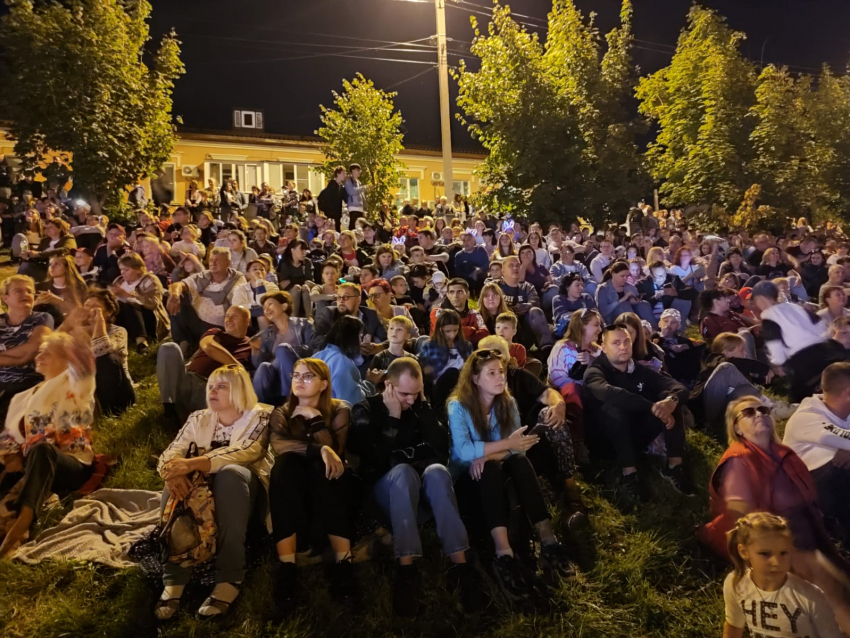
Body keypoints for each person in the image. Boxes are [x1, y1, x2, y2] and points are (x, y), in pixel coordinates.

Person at [699, 396, 850, 631]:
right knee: (827, 583)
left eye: (763, 410)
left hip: (802, 534)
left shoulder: (784, 453)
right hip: (766, 542)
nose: (759, 414)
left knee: (842, 578)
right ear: (736, 428)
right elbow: (744, 522)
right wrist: (794, 556)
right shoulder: (738, 462)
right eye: (748, 412)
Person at [349, 357, 483, 615]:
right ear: (387, 386)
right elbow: (371, 463)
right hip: (387, 496)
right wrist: (393, 420)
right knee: (402, 472)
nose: (411, 400)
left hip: (422, 494)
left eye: (417, 392)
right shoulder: (364, 411)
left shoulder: (420, 407)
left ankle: (460, 565)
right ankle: (406, 568)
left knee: (437, 471)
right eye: (404, 394)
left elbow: (442, 450)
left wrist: (423, 411)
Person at [447, 349, 574, 600]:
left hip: (496, 465)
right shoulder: (458, 406)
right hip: (466, 476)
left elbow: (519, 449)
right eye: (491, 373)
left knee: (519, 463)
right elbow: (463, 452)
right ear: (475, 379)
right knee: (494, 467)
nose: (500, 378)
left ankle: (548, 542)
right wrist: (502, 448)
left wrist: (489, 454)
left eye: (501, 372)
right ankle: (503, 555)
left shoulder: (508, 402)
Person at [154, 365, 273, 620]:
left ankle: (229, 578)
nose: (213, 391)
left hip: (244, 497)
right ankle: (174, 578)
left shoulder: (261, 416)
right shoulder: (199, 418)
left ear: (240, 389)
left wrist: (193, 463)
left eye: (222, 386)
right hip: (200, 499)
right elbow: (172, 451)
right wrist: (172, 472)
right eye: (210, 386)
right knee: (174, 482)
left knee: (231, 473)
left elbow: (247, 451)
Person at [268, 358, 358, 610]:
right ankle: (286, 567)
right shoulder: (282, 412)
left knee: (327, 467)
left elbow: (337, 450)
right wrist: (319, 449)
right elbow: (279, 445)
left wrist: (316, 419)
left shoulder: (340, 409)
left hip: (329, 487)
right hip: (295, 488)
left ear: (323, 384)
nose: (299, 380)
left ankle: (344, 563)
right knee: (284, 465)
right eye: (296, 375)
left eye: (307, 376)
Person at [0, 331, 96, 558]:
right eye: (39, 351)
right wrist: (11, 454)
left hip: (69, 463)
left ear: (66, 359)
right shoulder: (20, 397)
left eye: (47, 352)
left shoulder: (72, 383)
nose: (39, 355)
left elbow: (85, 364)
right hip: (29, 464)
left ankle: (21, 527)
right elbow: (9, 436)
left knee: (42, 450)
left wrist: (75, 325)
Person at [583, 323, 692, 501]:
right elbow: (611, 393)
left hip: (635, 435)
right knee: (616, 407)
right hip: (605, 442)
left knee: (668, 399)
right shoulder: (595, 371)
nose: (623, 347)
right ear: (603, 348)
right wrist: (651, 407)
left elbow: (677, 387)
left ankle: (674, 466)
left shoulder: (639, 370)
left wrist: (670, 402)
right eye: (616, 343)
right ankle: (629, 473)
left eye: (627, 341)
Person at [722, 512, 844, 638]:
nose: (776, 562)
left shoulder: (810, 597)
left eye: (783, 553)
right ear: (743, 552)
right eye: (765, 554)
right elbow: (733, 626)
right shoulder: (736, 583)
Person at [784, 362, 850, 545]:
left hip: (829, 486)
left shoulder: (842, 410)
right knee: (839, 470)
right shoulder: (808, 419)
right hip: (802, 495)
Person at [157, 305, 253, 427]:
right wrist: (237, 367)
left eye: (234, 317)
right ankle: (169, 411)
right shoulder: (216, 332)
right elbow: (209, 346)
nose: (228, 320)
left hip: (211, 390)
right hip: (185, 379)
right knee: (168, 348)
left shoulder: (251, 345)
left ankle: (186, 419)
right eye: (227, 316)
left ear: (247, 321)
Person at [751, 280, 846, 402]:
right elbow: (820, 323)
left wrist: (778, 363)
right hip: (825, 349)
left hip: (803, 358)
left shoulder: (768, 316)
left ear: (760, 298)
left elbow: (775, 343)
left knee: (799, 396)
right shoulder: (793, 306)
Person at [166, 247, 247, 354]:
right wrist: (175, 295)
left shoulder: (237, 278)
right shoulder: (203, 276)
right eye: (211, 260)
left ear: (228, 263)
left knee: (206, 346)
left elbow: (238, 302)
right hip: (196, 320)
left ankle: (197, 352)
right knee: (176, 295)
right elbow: (179, 284)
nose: (213, 263)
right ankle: (183, 341)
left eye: (217, 260)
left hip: (217, 326)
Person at [67, 289, 136, 415]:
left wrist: (99, 321)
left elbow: (102, 349)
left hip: (118, 392)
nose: (89, 310)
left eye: (96, 307)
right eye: (87, 305)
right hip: (88, 391)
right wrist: (71, 323)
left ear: (108, 312)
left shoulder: (118, 331)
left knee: (106, 359)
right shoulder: (77, 332)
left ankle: (111, 412)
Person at [0, 275, 54, 426]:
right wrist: (22, 356)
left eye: (29, 292)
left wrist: (19, 357)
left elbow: (36, 347)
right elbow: (27, 351)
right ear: (5, 298)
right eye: (18, 291)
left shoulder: (42, 318)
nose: (26, 295)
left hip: (30, 382)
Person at [251, 291, 314, 405]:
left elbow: (313, 348)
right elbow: (259, 364)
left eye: (270, 304)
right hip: (276, 377)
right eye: (264, 308)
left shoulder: (304, 324)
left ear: (284, 306)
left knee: (282, 349)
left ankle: (291, 398)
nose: (266, 309)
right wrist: (256, 351)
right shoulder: (267, 334)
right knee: (264, 366)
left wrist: (288, 351)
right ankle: (261, 407)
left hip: (301, 368)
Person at [110, 253, 170, 353]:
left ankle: (141, 342)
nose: (123, 273)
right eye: (121, 269)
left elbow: (153, 304)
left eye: (127, 270)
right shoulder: (119, 281)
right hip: (125, 319)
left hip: (149, 319)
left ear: (138, 270)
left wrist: (127, 295)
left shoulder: (150, 280)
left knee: (130, 304)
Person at [419, 309, 474, 413]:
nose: (452, 335)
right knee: (452, 373)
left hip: (462, 387)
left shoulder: (466, 346)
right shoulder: (429, 346)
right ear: (440, 330)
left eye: (455, 330)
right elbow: (426, 374)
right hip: (439, 389)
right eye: (448, 331)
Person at [313, 315, 375, 406]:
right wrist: (371, 383)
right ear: (352, 338)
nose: (360, 342)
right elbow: (353, 401)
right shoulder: (342, 362)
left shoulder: (319, 355)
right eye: (360, 336)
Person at [310, 282, 386, 355]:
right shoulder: (329, 313)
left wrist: (378, 347)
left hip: (364, 363)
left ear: (358, 300)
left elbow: (387, 338)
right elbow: (315, 339)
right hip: (334, 359)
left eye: (346, 297)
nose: (341, 301)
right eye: (338, 297)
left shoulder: (370, 315)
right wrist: (350, 345)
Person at [498, 256, 553, 351]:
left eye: (518, 265)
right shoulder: (496, 286)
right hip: (502, 330)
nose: (515, 268)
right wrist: (513, 309)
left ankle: (547, 350)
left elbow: (534, 304)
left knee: (535, 311)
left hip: (525, 330)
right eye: (511, 265)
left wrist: (516, 308)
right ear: (503, 271)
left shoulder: (528, 287)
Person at [595, 260, 656, 328]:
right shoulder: (603, 289)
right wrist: (621, 300)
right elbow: (603, 312)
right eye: (622, 276)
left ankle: (652, 330)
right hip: (613, 319)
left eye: (627, 276)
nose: (625, 279)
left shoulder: (630, 287)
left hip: (633, 314)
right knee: (624, 305)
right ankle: (634, 329)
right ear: (613, 274)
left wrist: (634, 301)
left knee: (644, 304)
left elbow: (636, 305)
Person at [651, 308, 704, 385]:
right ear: (660, 323)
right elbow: (652, 350)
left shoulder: (682, 341)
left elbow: (702, 346)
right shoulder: (654, 338)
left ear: (678, 326)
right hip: (665, 377)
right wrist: (662, 337)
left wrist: (686, 346)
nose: (669, 325)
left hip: (684, 377)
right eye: (666, 321)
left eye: (673, 322)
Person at [428, 277, 488, 345]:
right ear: (447, 295)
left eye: (460, 292)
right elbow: (445, 334)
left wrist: (461, 338)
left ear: (467, 294)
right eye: (452, 292)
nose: (455, 296)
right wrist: (471, 330)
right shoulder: (438, 312)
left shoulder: (474, 314)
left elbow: (485, 333)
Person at [232, 259, 279, 329]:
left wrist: (259, 282)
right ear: (248, 273)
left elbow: (262, 304)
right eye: (254, 269)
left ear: (266, 273)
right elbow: (237, 306)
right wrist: (255, 307)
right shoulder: (240, 288)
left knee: (262, 316)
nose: (258, 271)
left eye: (262, 269)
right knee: (259, 312)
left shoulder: (272, 287)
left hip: (267, 317)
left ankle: (266, 339)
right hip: (247, 316)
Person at [317, 166, 346, 231]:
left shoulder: (341, 186)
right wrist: (327, 211)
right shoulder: (332, 186)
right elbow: (321, 198)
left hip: (337, 214)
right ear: (338, 174)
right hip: (330, 215)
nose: (345, 175)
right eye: (343, 173)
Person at [343, 164, 372, 230]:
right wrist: (364, 188)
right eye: (358, 170)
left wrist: (365, 207)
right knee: (353, 226)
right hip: (353, 207)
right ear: (353, 171)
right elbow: (351, 191)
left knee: (360, 227)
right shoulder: (349, 180)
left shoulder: (359, 182)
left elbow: (362, 195)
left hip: (360, 208)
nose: (360, 172)